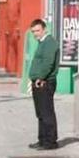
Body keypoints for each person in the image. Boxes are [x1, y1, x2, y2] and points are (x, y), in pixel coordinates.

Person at [28, 19, 59, 150]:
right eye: (33, 31)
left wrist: (40, 78)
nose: (35, 34)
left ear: (44, 29)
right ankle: (42, 139)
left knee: (46, 113)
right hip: (38, 82)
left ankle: (50, 141)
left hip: (45, 82)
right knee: (40, 113)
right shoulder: (42, 43)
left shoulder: (49, 43)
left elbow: (48, 63)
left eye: (38, 30)